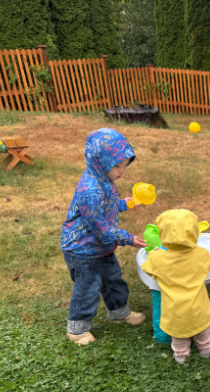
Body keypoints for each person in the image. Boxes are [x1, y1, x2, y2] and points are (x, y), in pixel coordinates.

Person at [61, 128, 148, 345]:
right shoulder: (91, 191)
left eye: (125, 166)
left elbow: (107, 206)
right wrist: (128, 238)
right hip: (82, 248)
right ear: (100, 161)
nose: (122, 171)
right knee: (87, 288)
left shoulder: (104, 179)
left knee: (112, 280)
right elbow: (100, 228)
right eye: (117, 166)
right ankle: (77, 329)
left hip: (100, 246)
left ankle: (119, 313)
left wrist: (124, 204)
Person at [141, 209, 210, 364]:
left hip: (174, 310)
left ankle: (181, 355)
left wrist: (154, 254)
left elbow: (147, 267)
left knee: (178, 334)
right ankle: (206, 349)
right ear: (194, 231)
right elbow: (207, 264)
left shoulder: (158, 259)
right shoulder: (202, 254)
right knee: (203, 328)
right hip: (199, 308)